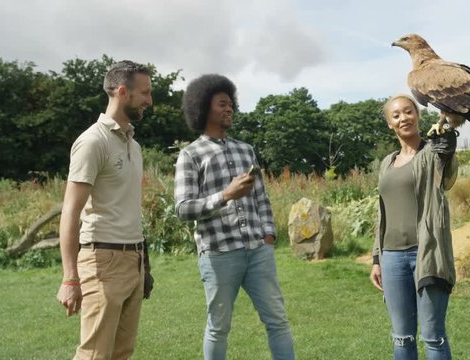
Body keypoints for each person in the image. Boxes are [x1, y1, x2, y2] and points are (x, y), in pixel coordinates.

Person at [174, 74, 295, 360]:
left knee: (277, 321)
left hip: (257, 251)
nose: (229, 109)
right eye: (222, 104)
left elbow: (261, 198)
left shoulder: (246, 150)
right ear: (203, 107)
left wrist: (268, 235)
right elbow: (182, 208)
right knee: (218, 327)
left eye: (231, 104)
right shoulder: (190, 155)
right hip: (218, 255)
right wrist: (225, 195)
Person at [56, 60, 154, 359]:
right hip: (101, 261)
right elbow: (70, 212)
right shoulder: (92, 142)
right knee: (95, 354)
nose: (150, 100)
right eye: (145, 93)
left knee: (121, 353)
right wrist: (71, 278)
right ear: (123, 92)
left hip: (133, 258)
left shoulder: (133, 145)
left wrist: (143, 264)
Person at [369, 94, 458, 360]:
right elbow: (382, 212)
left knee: (433, 336)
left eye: (408, 112)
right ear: (390, 124)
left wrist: (448, 147)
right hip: (392, 258)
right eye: (396, 115)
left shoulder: (431, 152)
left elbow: (448, 173)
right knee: (402, 337)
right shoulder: (387, 162)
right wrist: (377, 258)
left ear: (418, 115)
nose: (403, 118)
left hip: (427, 254)